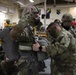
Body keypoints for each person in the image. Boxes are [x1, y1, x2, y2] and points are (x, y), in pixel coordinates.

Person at [10, 6, 44, 75]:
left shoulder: (29, 27)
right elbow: (13, 35)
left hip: (30, 60)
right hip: (25, 62)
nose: (38, 18)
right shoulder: (23, 28)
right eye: (36, 16)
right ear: (29, 16)